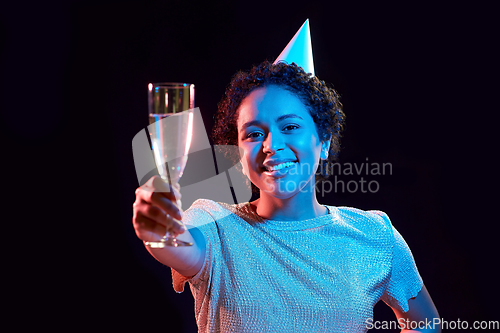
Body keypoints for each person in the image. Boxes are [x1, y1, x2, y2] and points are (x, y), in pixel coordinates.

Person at [132, 60, 441, 332]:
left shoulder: (374, 234)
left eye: (290, 126)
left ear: (323, 142)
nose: (271, 145)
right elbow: (175, 243)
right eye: (253, 134)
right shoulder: (214, 223)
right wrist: (157, 229)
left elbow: (425, 324)